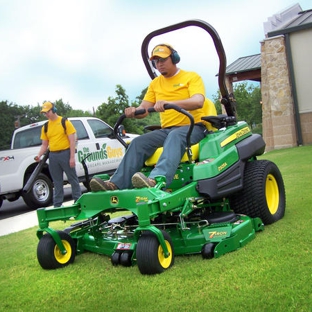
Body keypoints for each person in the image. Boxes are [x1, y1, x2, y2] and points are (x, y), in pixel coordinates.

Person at [90, 43, 214, 191]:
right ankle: (115, 184)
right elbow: (144, 109)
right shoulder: (155, 84)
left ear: (174, 58)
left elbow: (198, 101)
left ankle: (156, 180)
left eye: (162, 60)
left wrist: (170, 102)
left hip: (193, 128)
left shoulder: (191, 77)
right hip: (167, 130)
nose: (159, 64)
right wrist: (134, 112)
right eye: (156, 62)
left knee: (175, 136)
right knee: (138, 142)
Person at [36, 101, 81, 207]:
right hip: (53, 156)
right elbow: (44, 144)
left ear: (53, 110)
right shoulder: (45, 126)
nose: (46, 114)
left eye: (48, 112)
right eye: (44, 113)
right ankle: (57, 204)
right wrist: (39, 155)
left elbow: (72, 141)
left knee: (72, 178)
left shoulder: (64, 122)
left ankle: (78, 201)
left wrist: (71, 157)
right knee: (57, 182)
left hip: (65, 153)